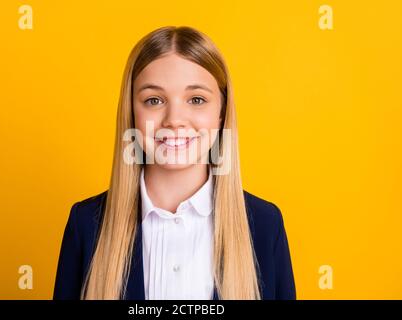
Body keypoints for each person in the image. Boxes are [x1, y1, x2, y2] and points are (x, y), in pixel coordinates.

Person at [53, 26, 296, 300]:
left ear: (222, 113)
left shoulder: (264, 225)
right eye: (154, 100)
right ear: (131, 111)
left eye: (196, 99)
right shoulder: (86, 224)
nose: (174, 120)